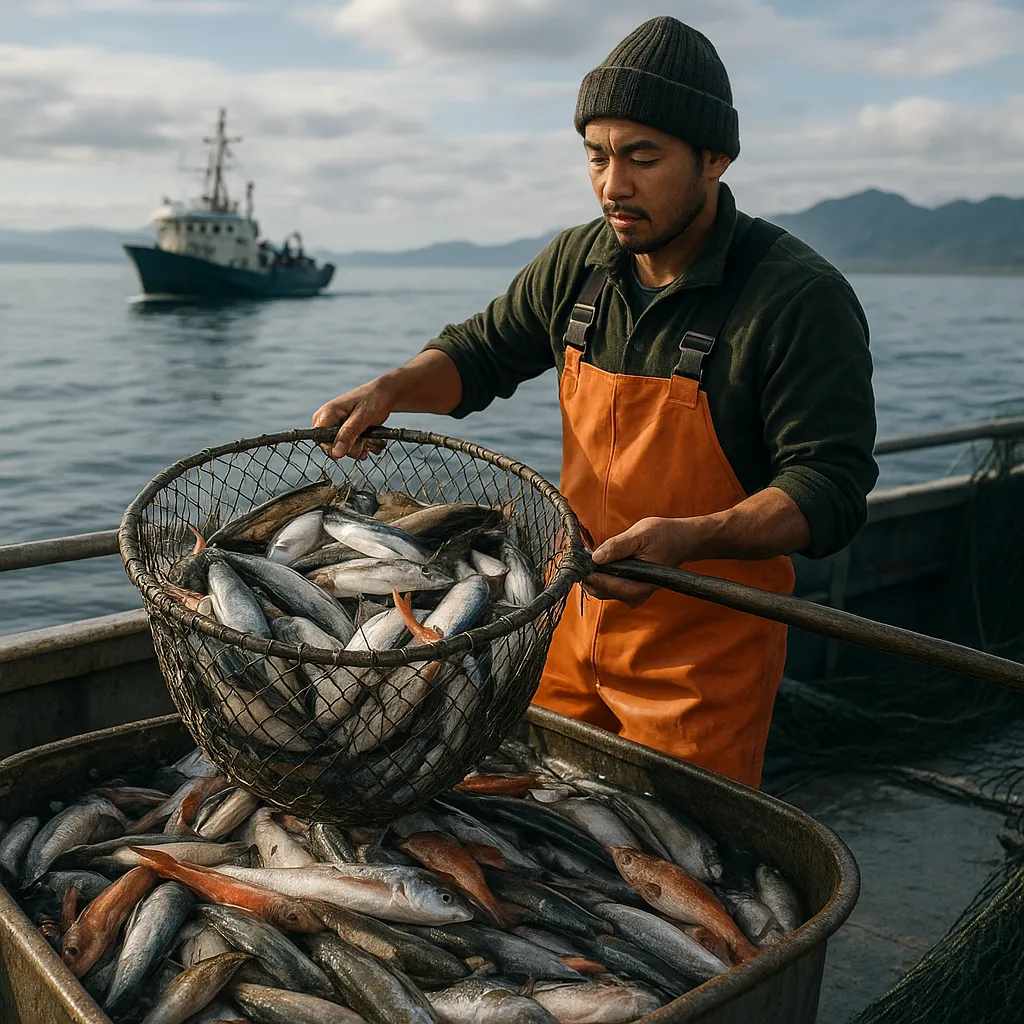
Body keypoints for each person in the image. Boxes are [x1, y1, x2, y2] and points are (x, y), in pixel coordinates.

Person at [313, 16, 878, 788]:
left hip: (699, 660)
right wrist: (392, 389)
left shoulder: (796, 298)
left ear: (715, 157)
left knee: (678, 875)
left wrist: (694, 536)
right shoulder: (580, 264)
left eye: (643, 157)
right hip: (564, 627)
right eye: (597, 155)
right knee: (545, 833)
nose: (614, 183)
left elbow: (830, 489)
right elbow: (480, 354)